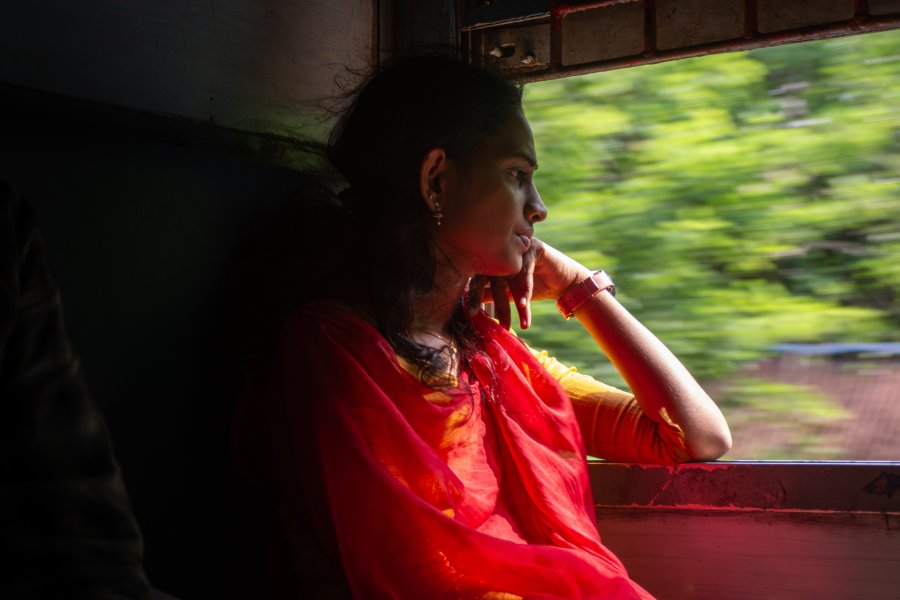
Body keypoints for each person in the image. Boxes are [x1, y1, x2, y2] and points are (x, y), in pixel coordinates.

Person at [233, 55, 731, 599]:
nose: (539, 209)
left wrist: (577, 285)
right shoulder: (334, 352)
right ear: (437, 180)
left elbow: (695, 436)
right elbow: (411, 573)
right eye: (518, 176)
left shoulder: (495, 363)